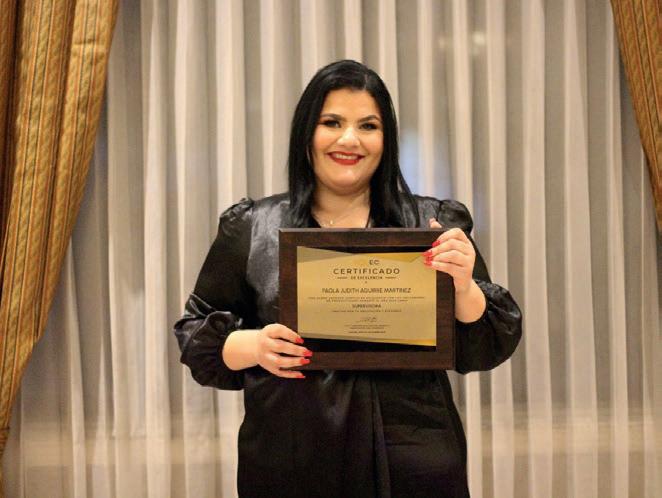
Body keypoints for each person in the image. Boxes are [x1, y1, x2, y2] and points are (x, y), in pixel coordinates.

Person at [173, 60, 521, 498]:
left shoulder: (432, 223)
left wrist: (465, 288)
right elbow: (195, 335)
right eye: (332, 122)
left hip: (411, 457)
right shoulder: (253, 227)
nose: (349, 139)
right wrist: (255, 346)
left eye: (368, 125)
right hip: (292, 458)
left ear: (386, 139)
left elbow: (489, 343)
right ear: (306, 133)